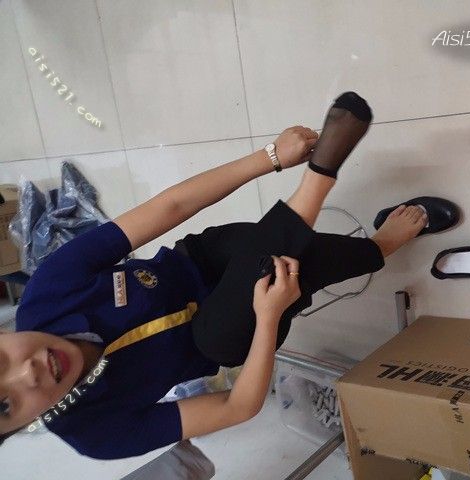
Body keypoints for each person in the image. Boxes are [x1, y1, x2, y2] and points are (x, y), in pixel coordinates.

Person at [0, 92, 428, 459]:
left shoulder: (49, 289)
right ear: (17, 429)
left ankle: (375, 247)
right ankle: (323, 179)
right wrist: (268, 319)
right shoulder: (96, 434)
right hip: (228, 331)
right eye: (5, 406)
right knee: (228, 326)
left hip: (202, 260)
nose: (28, 375)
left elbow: (170, 207)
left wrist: (270, 157)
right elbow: (236, 407)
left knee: (300, 260)